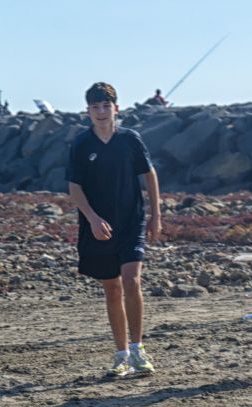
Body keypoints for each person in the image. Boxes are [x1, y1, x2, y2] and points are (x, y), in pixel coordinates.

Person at [67, 82, 162, 378]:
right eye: (95, 107)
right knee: (112, 288)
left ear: (116, 108)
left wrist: (156, 215)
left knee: (132, 281)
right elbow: (74, 187)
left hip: (131, 221)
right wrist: (93, 218)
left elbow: (149, 174)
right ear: (88, 112)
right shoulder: (82, 144)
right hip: (98, 227)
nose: (101, 112)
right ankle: (121, 355)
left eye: (106, 106)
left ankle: (138, 349)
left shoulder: (130, 139)